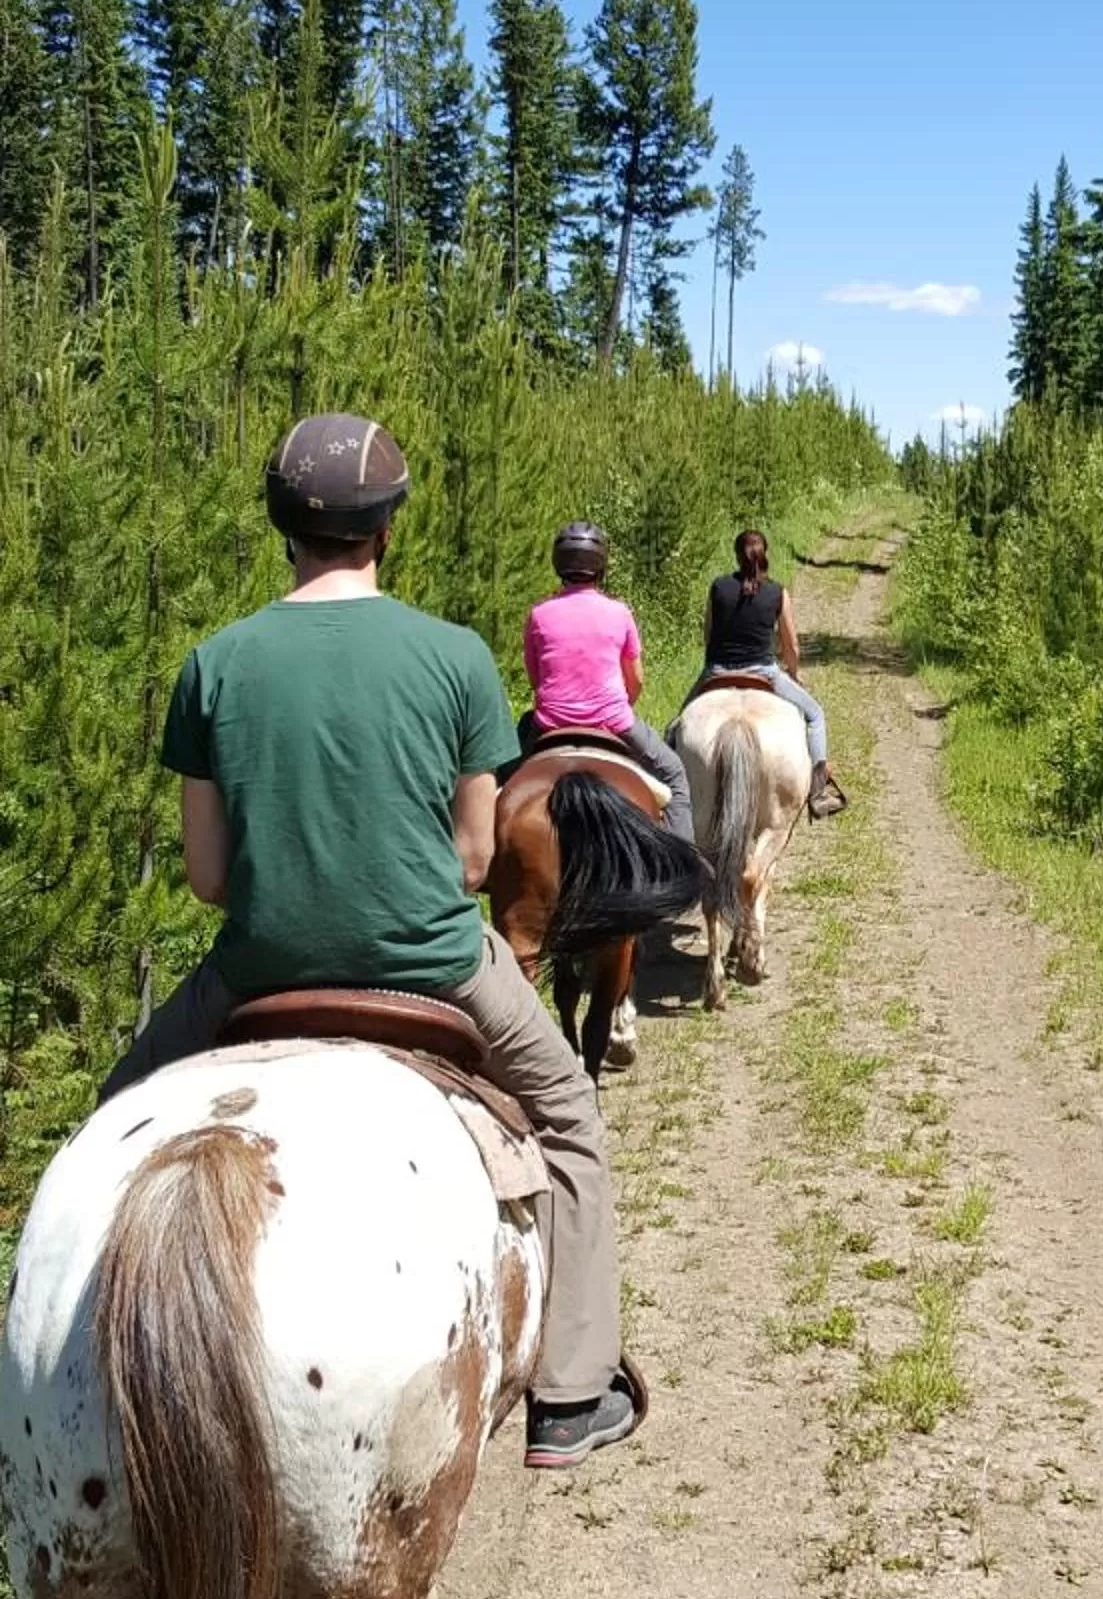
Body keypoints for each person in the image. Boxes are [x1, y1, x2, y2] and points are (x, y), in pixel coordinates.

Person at [100, 414, 637, 1472]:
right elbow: (475, 864)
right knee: (571, 1117)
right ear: (387, 528)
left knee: (111, 1125)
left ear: (281, 529)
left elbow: (209, 878)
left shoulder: (215, 664)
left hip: (258, 969)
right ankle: (572, 1396)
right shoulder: (453, 657)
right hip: (436, 966)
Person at [522, 524, 697, 846]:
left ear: (558, 563)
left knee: (496, 778)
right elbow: (637, 679)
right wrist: (618, 705)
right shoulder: (619, 612)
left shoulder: (538, 614)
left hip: (548, 725)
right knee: (674, 774)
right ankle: (685, 864)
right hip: (614, 722)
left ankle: (482, 859)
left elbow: (536, 679)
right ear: (601, 565)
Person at [685, 529, 846, 817]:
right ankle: (819, 790)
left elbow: (708, 635)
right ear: (765, 555)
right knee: (815, 715)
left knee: (677, 725)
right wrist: (794, 674)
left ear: (736, 556)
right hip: (764, 672)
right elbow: (791, 645)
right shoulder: (777, 592)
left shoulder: (718, 587)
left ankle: (669, 792)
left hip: (717, 671)